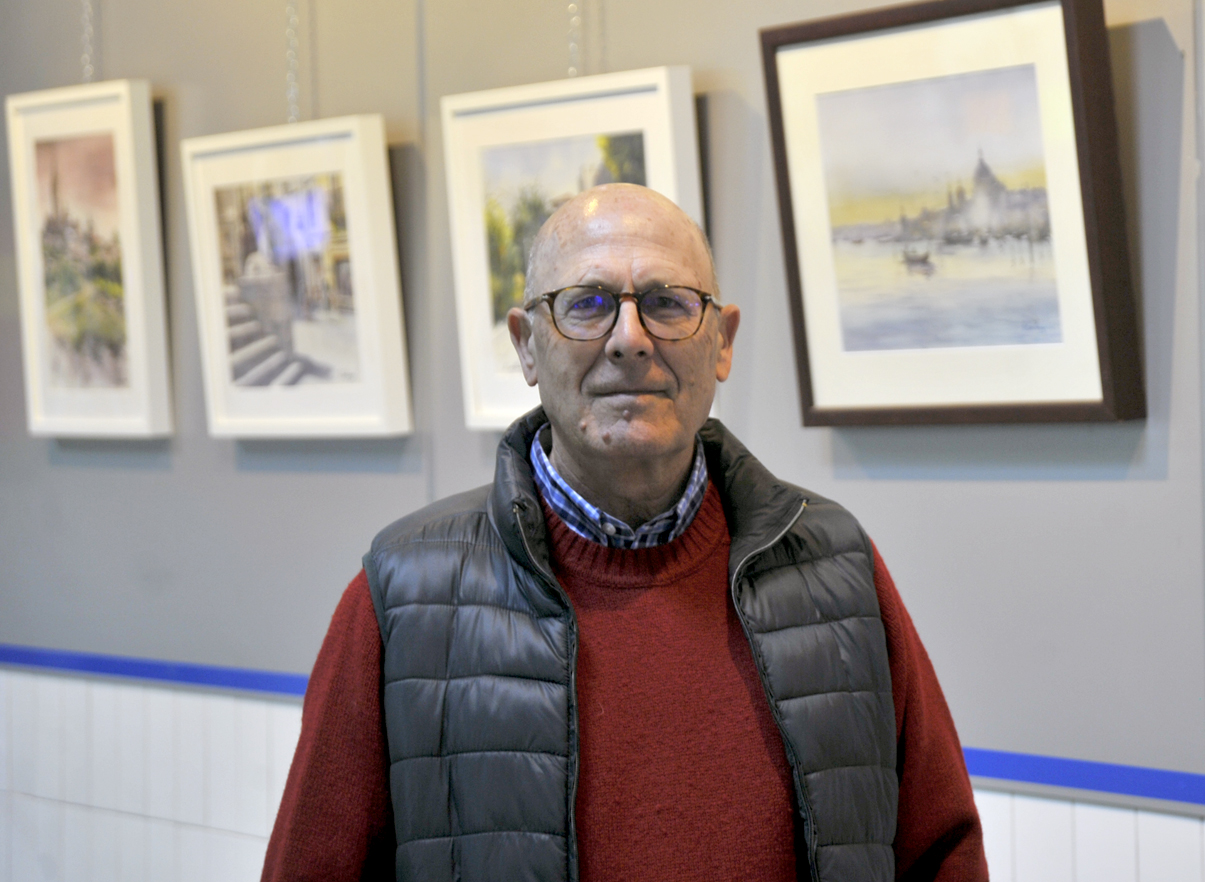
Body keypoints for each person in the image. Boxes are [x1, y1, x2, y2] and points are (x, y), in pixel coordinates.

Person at [262, 184, 987, 882]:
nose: (630, 340)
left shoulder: (834, 567)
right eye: (587, 304)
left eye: (668, 303)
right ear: (524, 346)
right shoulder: (403, 597)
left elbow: (940, 852)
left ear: (723, 342)